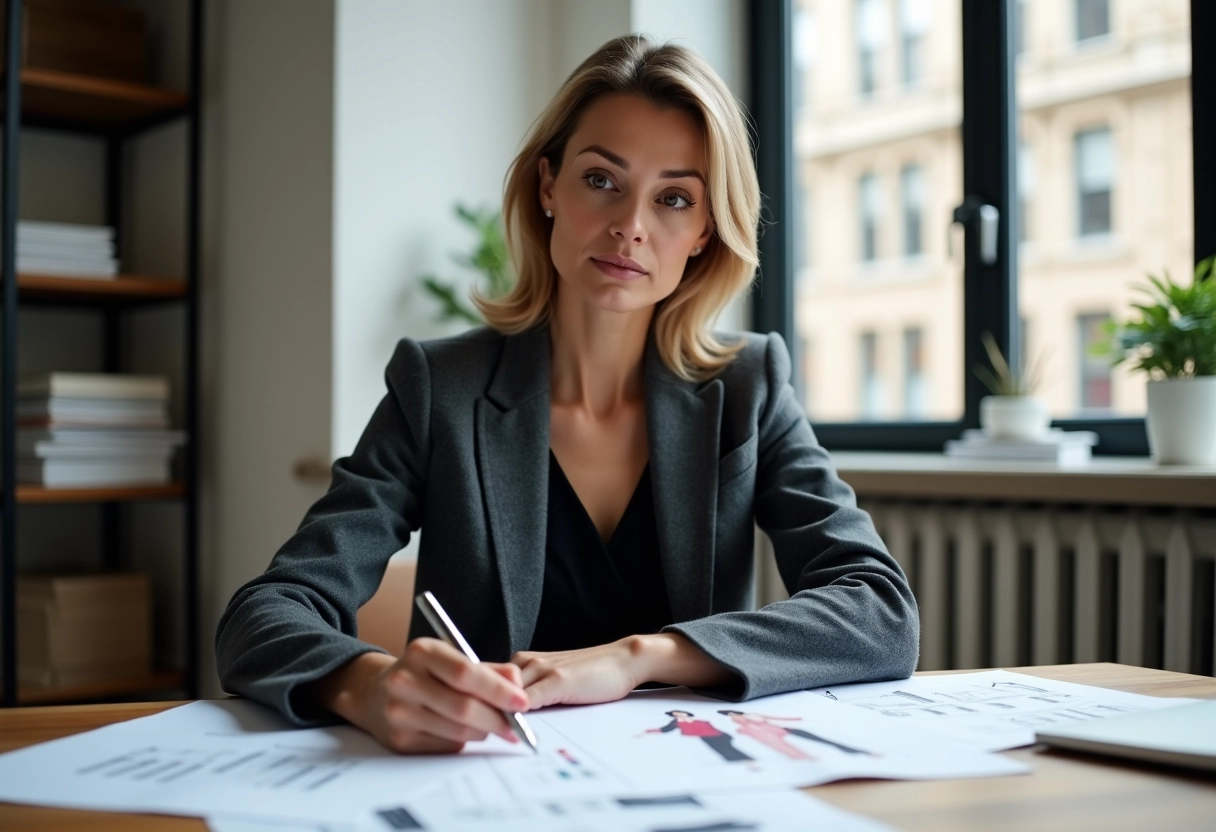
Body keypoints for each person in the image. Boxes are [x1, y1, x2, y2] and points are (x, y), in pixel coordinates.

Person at [215, 34, 919, 756]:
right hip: (482, 783)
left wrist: (638, 656)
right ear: (548, 185)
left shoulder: (747, 388)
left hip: (687, 775)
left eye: (674, 197)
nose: (630, 227)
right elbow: (264, 613)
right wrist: (364, 685)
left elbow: (880, 612)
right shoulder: (440, 389)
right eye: (601, 180)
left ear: (705, 230)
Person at [716, 710, 870, 760]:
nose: (732, 715)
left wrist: (794, 719)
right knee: (780, 746)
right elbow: (741, 726)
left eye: (732, 713)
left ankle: (847, 750)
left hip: (776, 728)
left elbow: (773, 718)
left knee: (810, 739)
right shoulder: (738, 720)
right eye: (729, 714)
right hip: (760, 733)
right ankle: (802, 757)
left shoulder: (751, 715)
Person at [644, 710, 752, 763]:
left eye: (680, 713)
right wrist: (647, 731)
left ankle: (747, 760)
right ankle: (741, 762)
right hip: (706, 737)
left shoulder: (699, 719)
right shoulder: (676, 722)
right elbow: (665, 729)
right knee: (722, 750)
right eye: (675, 714)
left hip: (720, 735)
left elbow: (717, 725)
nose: (679, 715)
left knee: (729, 748)